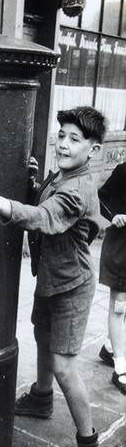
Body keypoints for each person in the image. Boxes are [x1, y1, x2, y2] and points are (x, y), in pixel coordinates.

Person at [0, 106, 107, 447]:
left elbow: (47, 217)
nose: (63, 144)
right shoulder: (63, 174)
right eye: (61, 135)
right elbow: (43, 200)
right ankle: (41, 396)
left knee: (64, 365)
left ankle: (89, 444)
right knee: (41, 336)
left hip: (72, 285)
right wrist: (33, 183)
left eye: (74, 139)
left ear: (93, 150)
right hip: (51, 277)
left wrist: (1, 203)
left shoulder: (79, 188)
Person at [98, 163, 126, 394]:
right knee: (119, 307)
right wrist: (113, 216)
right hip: (121, 250)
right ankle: (121, 368)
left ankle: (110, 347)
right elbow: (101, 198)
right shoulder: (123, 171)